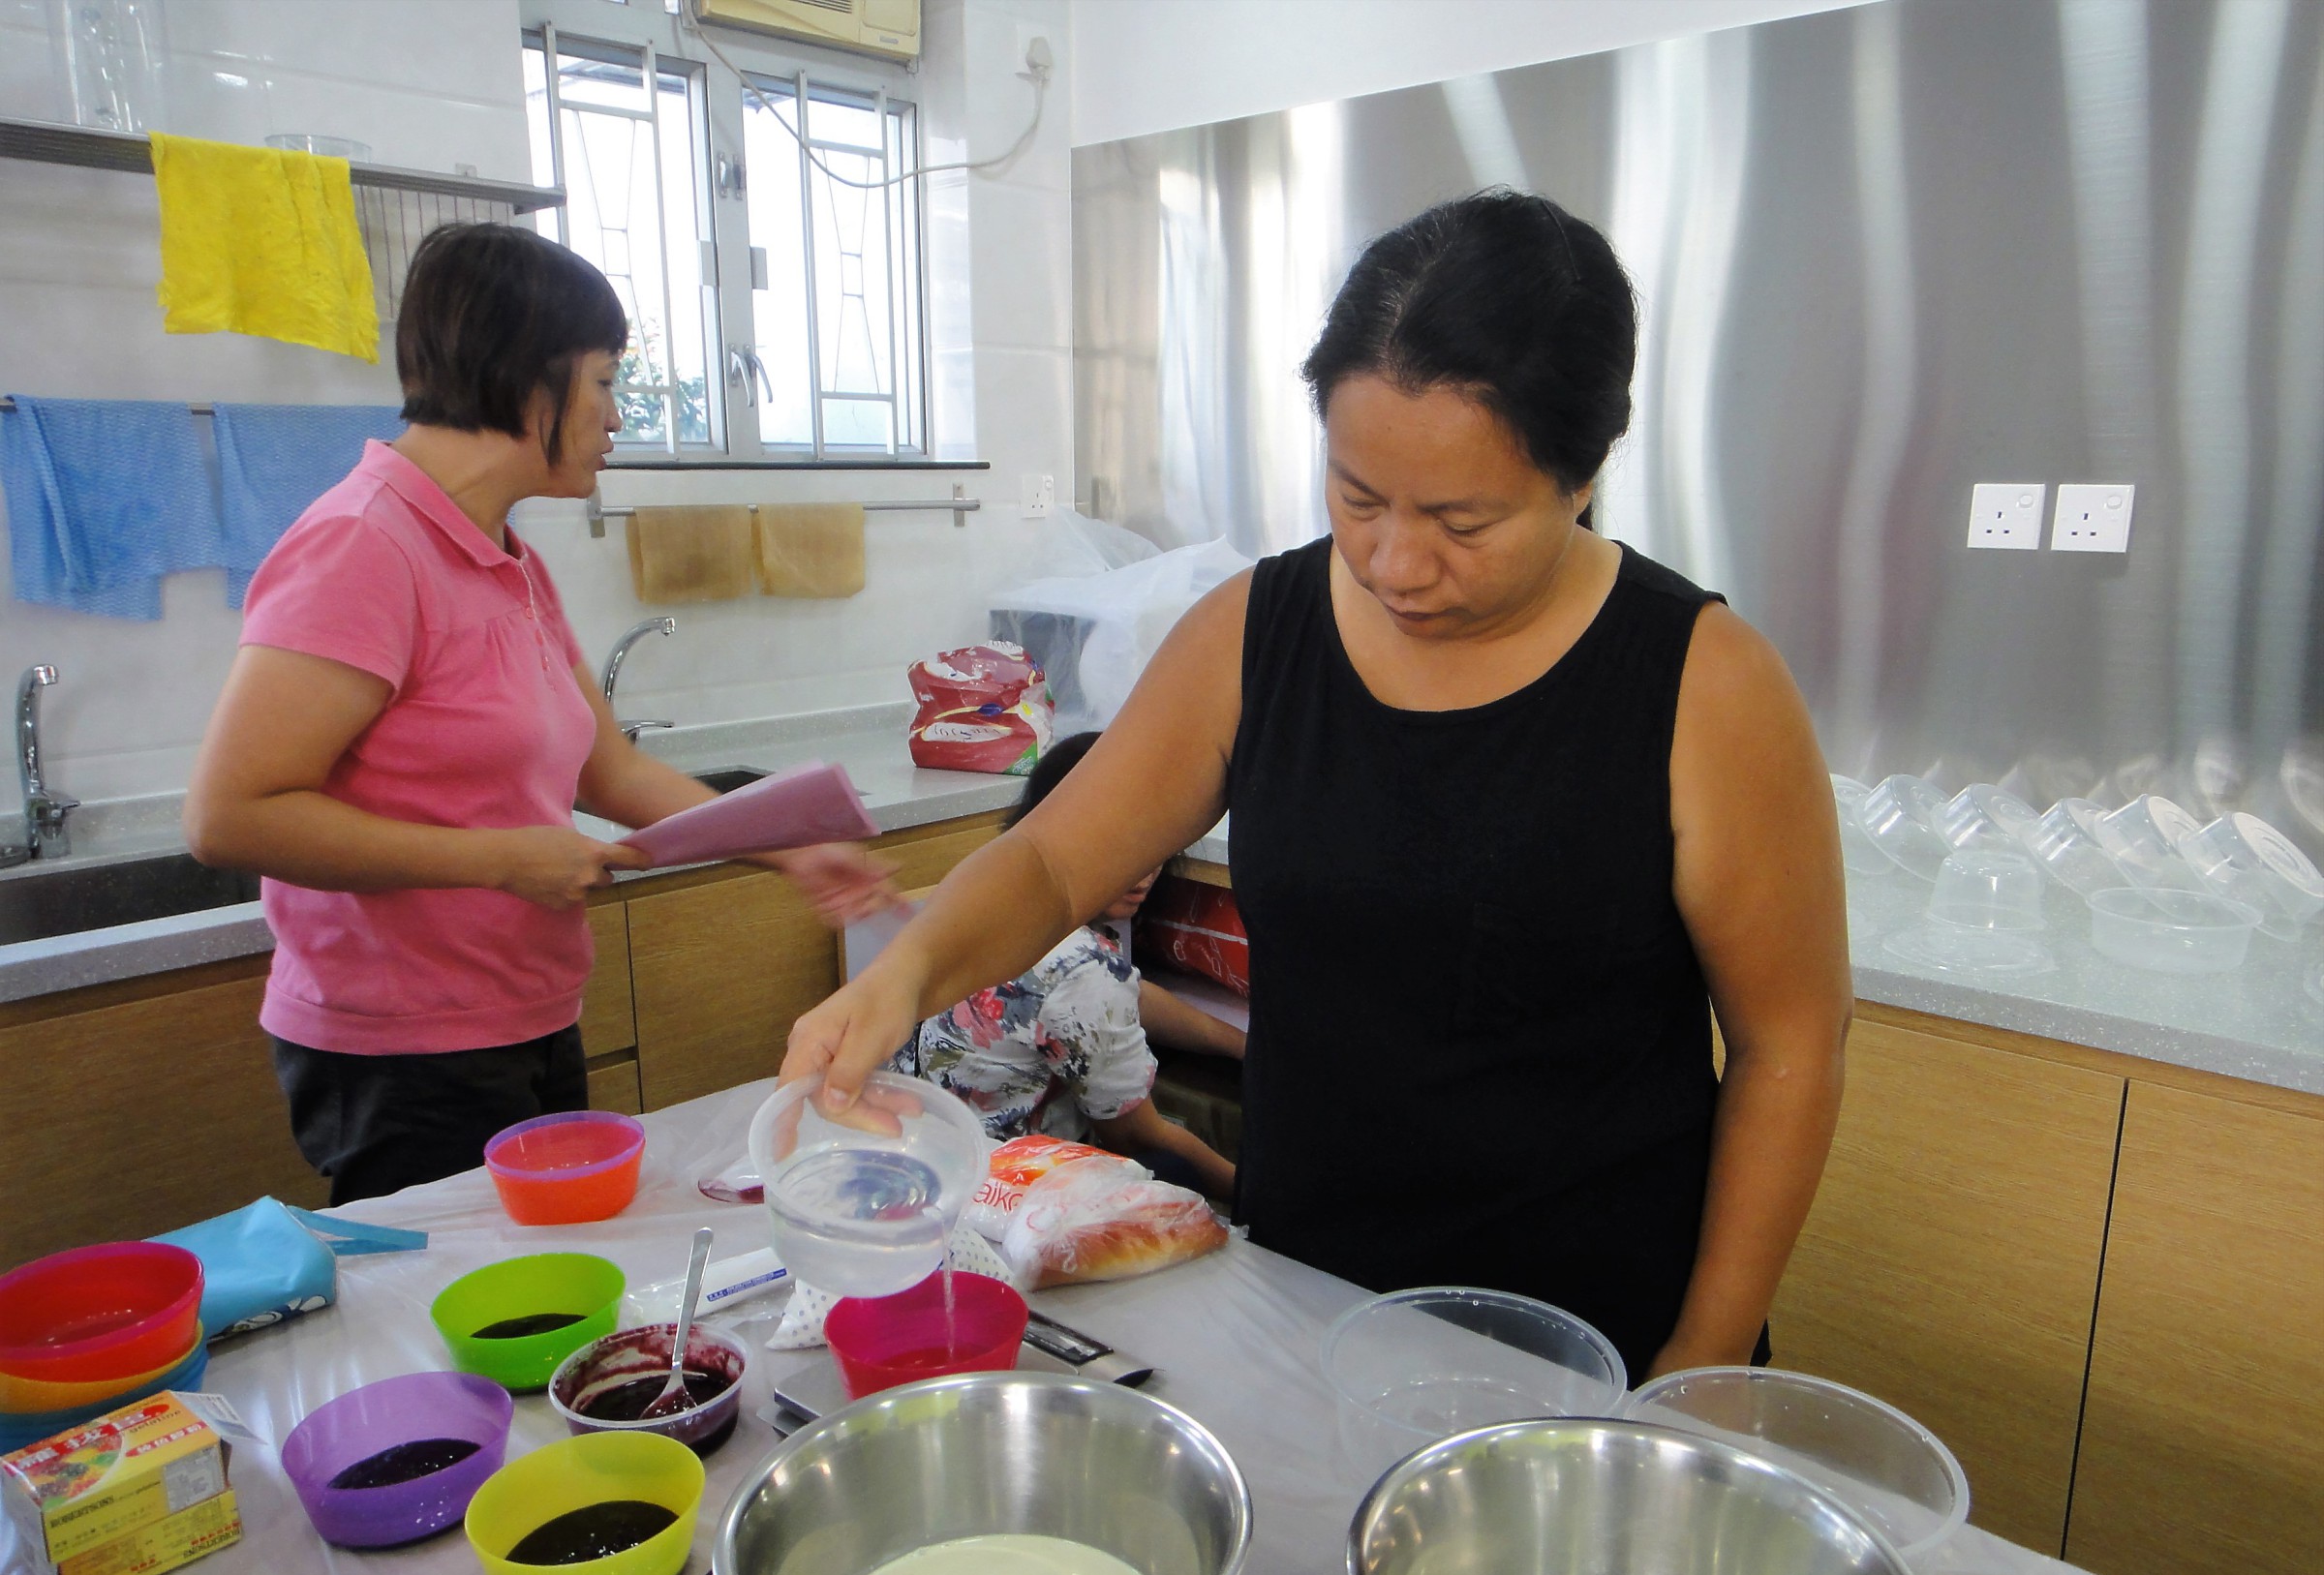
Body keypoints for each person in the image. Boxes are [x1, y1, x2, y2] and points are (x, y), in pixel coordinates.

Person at [780, 191, 1850, 1380]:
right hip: (1307, 1304)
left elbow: (1790, 1045)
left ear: (1585, 470)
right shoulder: (1256, 634)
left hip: (1594, 1343)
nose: (1396, 562)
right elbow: (1052, 858)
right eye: (1358, 497)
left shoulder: (1704, 684)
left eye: (1461, 521)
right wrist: (909, 973)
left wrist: (1703, 1364)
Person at [186, 224, 892, 1206]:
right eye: (604, 381)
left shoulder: (506, 556)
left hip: (526, 1012)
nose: (616, 415)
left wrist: (791, 848)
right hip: (404, 1048)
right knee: (466, 1294)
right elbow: (230, 816)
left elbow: (612, 772)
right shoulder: (361, 545)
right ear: (530, 380)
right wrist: (501, 860)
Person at [893, 732, 1242, 1197]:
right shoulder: (1084, 968)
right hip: (995, 1188)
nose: (1144, 871)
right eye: (1118, 841)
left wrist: (1240, 1044)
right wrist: (1258, 1198)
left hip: (916, 1145)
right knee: (1172, 1171)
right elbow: (1136, 1136)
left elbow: (1124, 994)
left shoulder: (992, 893)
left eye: (1157, 840)